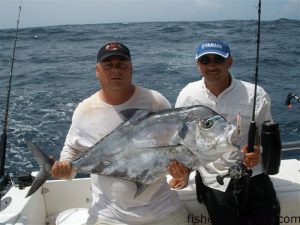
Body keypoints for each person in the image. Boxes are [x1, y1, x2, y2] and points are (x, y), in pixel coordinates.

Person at [51, 42, 193, 225]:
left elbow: (178, 148)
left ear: (131, 68)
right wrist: (64, 170)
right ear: (97, 70)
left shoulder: (156, 101)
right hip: (110, 215)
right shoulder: (85, 110)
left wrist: (184, 174)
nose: (115, 70)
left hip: (162, 209)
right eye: (108, 65)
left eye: (121, 65)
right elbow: (71, 150)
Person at [168, 40, 280, 225]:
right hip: (213, 178)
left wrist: (258, 149)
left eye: (218, 60)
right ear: (198, 65)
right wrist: (185, 172)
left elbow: (266, 132)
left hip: (253, 173)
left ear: (229, 62)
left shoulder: (256, 94)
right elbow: (183, 140)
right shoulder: (188, 94)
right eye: (205, 61)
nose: (212, 65)